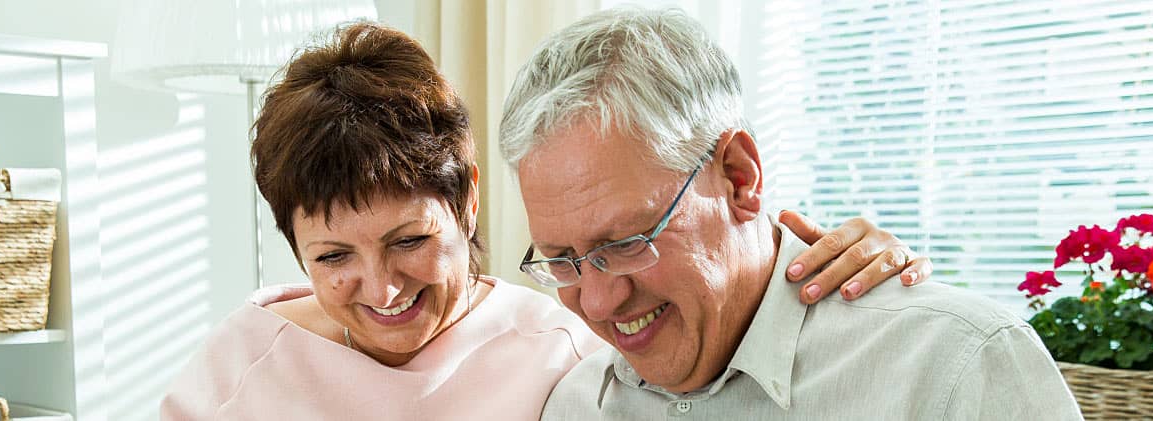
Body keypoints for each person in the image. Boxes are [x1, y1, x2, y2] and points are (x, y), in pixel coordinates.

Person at [161, 21, 930, 420]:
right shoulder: (244, 356)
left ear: (467, 205)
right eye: (333, 257)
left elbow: (715, 299)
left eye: (410, 240)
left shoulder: (567, 345)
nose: (380, 286)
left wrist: (855, 262)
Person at [499, 8, 1083, 420]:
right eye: (564, 259)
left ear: (738, 177)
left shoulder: (954, 364)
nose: (597, 304)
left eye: (626, 241)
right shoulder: (574, 404)